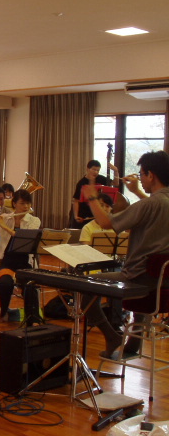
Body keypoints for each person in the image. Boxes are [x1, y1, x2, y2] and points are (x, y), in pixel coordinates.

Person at [82, 150, 169, 359]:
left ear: (151, 175)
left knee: (86, 288)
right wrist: (137, 191)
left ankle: (112, 336)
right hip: (162, 282)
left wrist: (92, 196)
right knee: (145, 277)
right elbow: (155, 206)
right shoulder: (158, 202)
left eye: (141, 174)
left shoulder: (148, 204)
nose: (141, 179)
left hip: (137, 277)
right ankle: (133, 344)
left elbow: (105, 222)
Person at [0, 189, 41, 321]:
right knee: (5, 283)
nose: (26, 206)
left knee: (30, 284)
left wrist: (4, 226)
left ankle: (33, 317)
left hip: (25, 262)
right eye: (22, 203)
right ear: (14, 204)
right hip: (7, 262)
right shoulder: (6, 218)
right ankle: (3, 313)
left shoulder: (34, 220)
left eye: (28, 203)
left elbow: (23, 236)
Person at [72, 159, 120, 228]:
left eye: (98, 170)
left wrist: (116, 171)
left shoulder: (101, 179)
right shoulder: (81, 183)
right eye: (94, 169)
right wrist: (76, 216)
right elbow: (76, 201)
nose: (96, 172)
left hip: (97, 212)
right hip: (85, 214)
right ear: (88, 169)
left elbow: (116, 183)